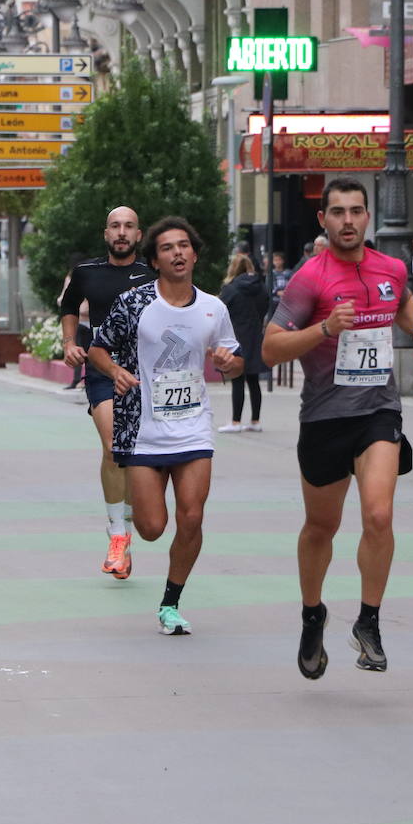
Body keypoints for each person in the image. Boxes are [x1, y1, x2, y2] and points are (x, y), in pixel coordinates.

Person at [261, 176, 413, 680]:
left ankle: (369, 622)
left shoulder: (391, 267)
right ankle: (312, 613)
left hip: (378, 410)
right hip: (324, 417)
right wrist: (324, 329)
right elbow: (271, 348)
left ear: (368, 216)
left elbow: (398, 299)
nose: (348, 221)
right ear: (324, 220)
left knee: (379, 514)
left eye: (356, 211)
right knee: (322, 527)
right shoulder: (308, 280)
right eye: (337, 212)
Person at [88, 217, 242, 634]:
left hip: (193, 427)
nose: (177, 253)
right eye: (168, 248)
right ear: (155, 260)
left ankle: (171, 602)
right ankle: (129, 522)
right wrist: (116, 371)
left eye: (184, 246)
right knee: (154, 528)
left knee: (191, 518)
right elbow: (97, 349)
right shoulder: (135, 303)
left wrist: (229, 363)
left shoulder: (214, 307)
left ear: (194, 254)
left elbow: (236, 357)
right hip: (143, 429)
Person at [60, 206, 157, 579]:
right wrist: (70, 342)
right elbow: (69, 307)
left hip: (145, 373)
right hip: (102, 367)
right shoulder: (87, 272)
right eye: (115, 226)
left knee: (132, 453)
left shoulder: (153, 275)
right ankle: (117, 532)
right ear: (106, 234)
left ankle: (125, 529)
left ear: (138, 234)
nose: (121, 232)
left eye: (128, 226)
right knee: (114, 445)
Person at [217, 251, 268, 433]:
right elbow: (266, 307)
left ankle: (236, 422)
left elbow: (219, 311)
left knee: (237, 379)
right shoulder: (261, 287)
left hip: (236, 337)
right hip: (256, 336)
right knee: (254, 380)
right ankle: (255, 421)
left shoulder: (231, 289)